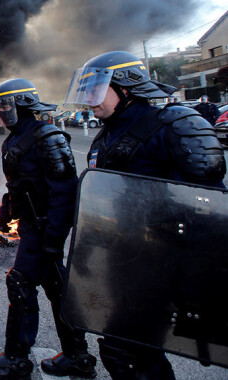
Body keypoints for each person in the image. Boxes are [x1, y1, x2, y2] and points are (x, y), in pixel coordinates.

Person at [64, 50, 226, 380]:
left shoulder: (173, 126)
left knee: (125, 350)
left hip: (164, 264)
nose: (90, 101)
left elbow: (209, 205)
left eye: (97, 90)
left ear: (126, 87)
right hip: (126, 261)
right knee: (137, 351)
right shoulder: (107, 134)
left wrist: (196, 271)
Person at [0, 79, 95, 380]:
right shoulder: (15, 138)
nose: (2, 113)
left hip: (44, 229)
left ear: (22, 104)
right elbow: (18, 185)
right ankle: (78, 356)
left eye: (6, 106)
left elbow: (65, 193)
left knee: (19, 283)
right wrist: (5, 213)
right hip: (31, 226)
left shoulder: (48, 137)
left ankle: (16, 361)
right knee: (58, 289)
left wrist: (55, 238)